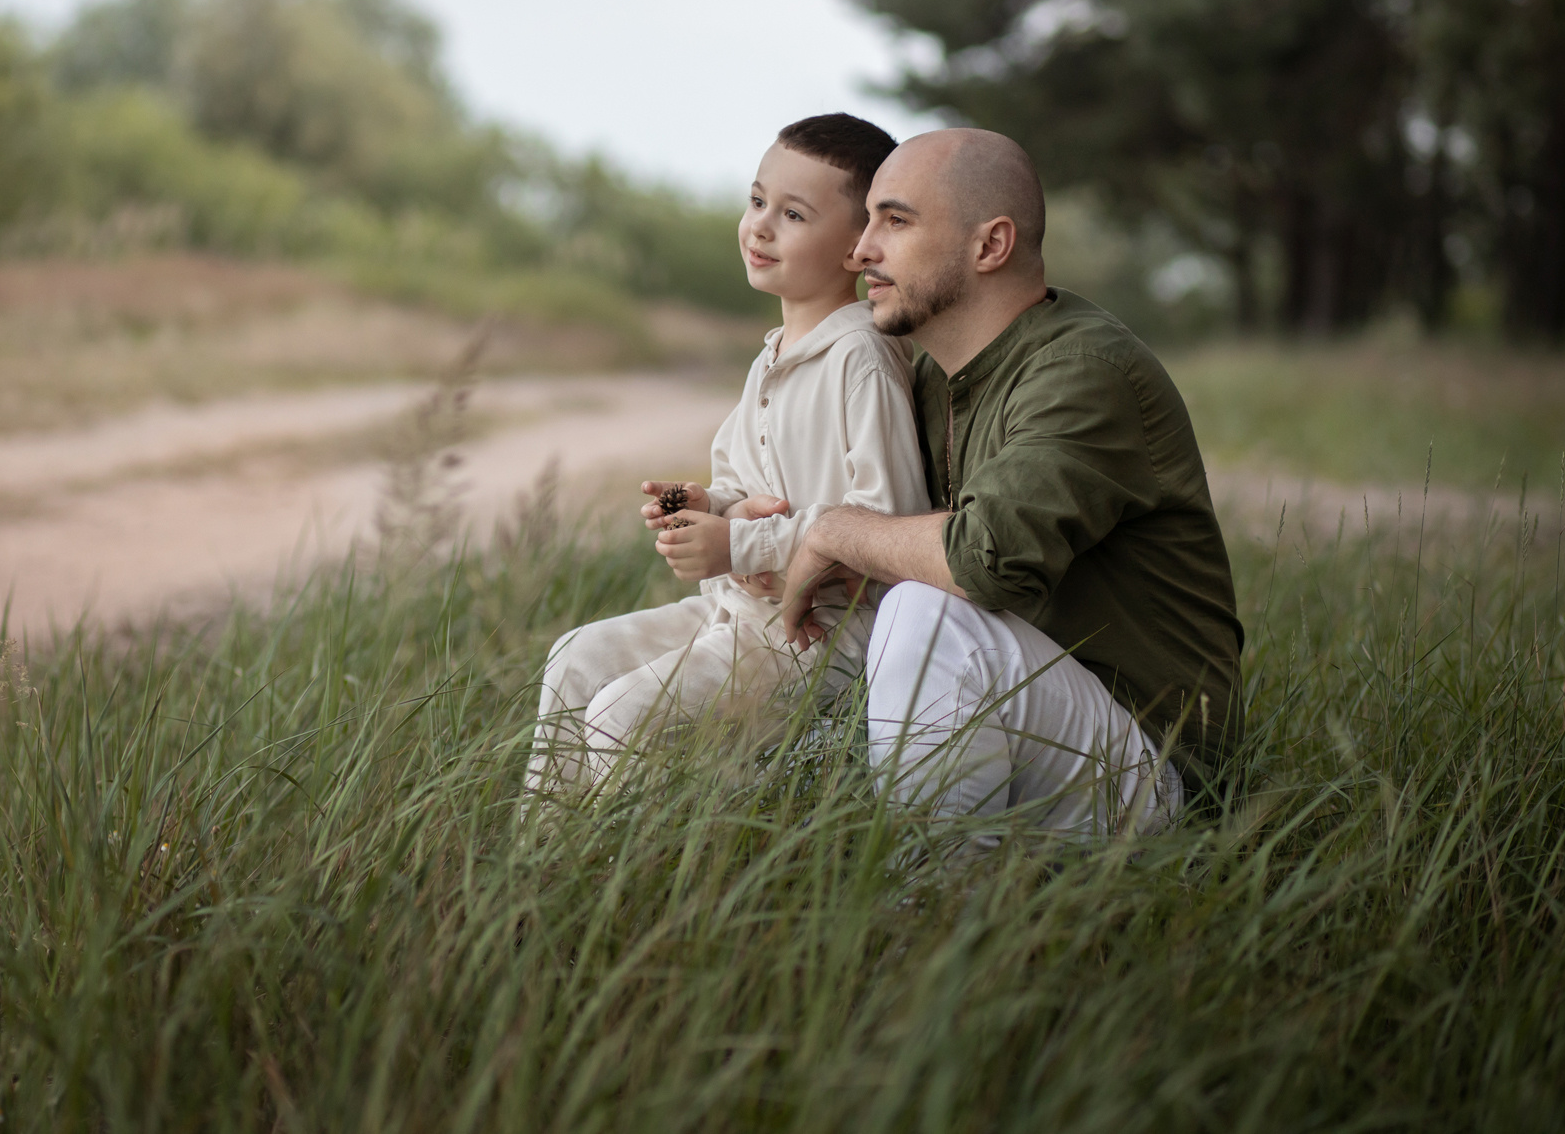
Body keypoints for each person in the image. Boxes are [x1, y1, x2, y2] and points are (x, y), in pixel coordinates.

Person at [779, 128, 1244, 840]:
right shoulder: (931, 375)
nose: (861, 249)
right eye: (868, 219)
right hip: (1018, 723)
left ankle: (934, 898)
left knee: (924, 615)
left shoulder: (1084, 369)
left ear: (991, 245)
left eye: (895, 221)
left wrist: (833, 530)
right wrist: (743, 521)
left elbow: (982, 560)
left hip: (1156, 771)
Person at [527, 113, 928, 794]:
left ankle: (638, 857)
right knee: (576, 656)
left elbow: (888, 524)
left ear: (857, 247)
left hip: (822, 633)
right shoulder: (769, 360)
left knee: (625, 713)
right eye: (757, 200)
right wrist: (707, 506)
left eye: (793, 214)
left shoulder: (862, 359)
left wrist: (740, 544)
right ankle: (539, 849)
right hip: (741, 614)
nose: (760, 226)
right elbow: (745, 488)